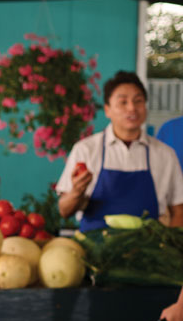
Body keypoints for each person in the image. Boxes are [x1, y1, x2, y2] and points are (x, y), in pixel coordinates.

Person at [57, 71, 183, 230]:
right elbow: (64, 211)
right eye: (123, 102)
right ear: (107, 109)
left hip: (149, 250)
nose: (132, 108)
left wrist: (172, 246)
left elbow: (179, 211)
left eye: (138, 101)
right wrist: (76, 192)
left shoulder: (165, 154)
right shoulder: (86, 150)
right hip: (94, 249)